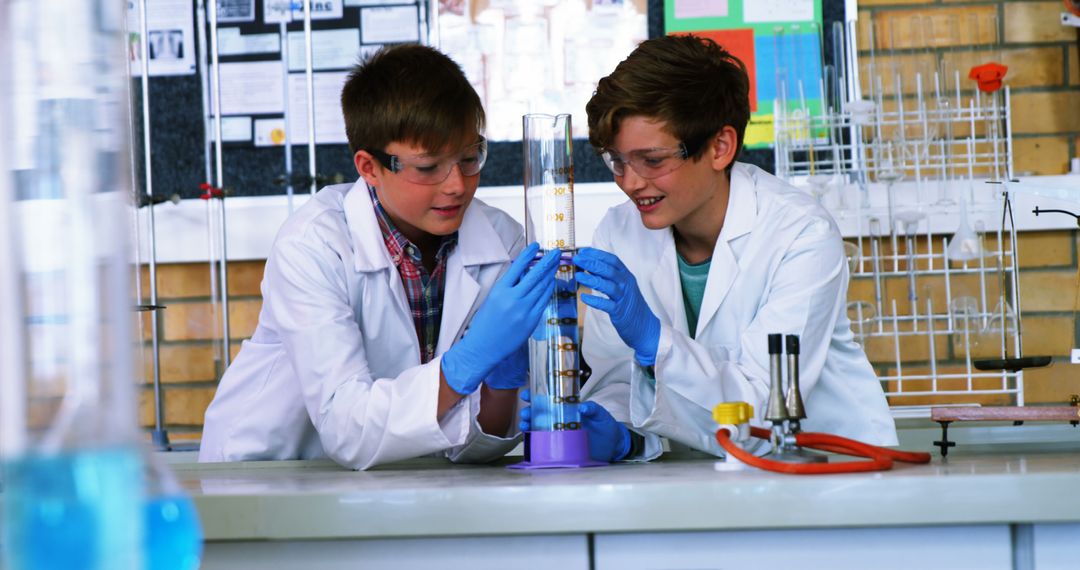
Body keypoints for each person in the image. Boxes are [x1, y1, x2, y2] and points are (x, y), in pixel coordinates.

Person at [200, 44, 560, 470]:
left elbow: (475, 443)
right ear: (369, 167)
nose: (457, 186)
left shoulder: (501, 240)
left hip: (401, 476)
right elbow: (347, 427)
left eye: (469, 158)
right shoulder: (313, 245)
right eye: (428, 168)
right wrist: (469, 361)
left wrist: (503, 385)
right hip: (268, 472)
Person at [567, 34, 898, 462]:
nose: (630, 182)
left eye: (652, 160)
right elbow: (617, 381)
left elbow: (762, 414)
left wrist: (656, 344)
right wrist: (614, 431)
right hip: (692, 481)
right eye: (617, 161)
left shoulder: (800, 233)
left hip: (827, 471)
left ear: (719, 147)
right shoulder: (618, 231)